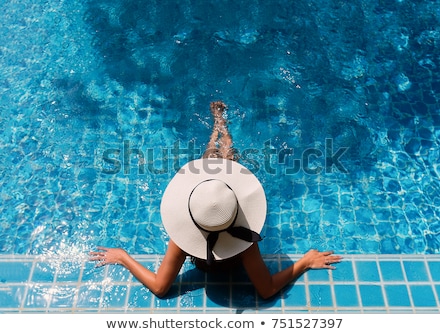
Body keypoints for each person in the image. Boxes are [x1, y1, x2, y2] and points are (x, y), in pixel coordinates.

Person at [90, 101, 342, 299]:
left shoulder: (181, 241)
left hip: (208, 220)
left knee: (212, 166)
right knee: (225, 165)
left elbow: (159, 287)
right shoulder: (245, 237)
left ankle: (217, 128)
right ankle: (221, 126)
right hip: (227, 218)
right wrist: (305, 261)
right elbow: (266, 290)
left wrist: (123, 257)